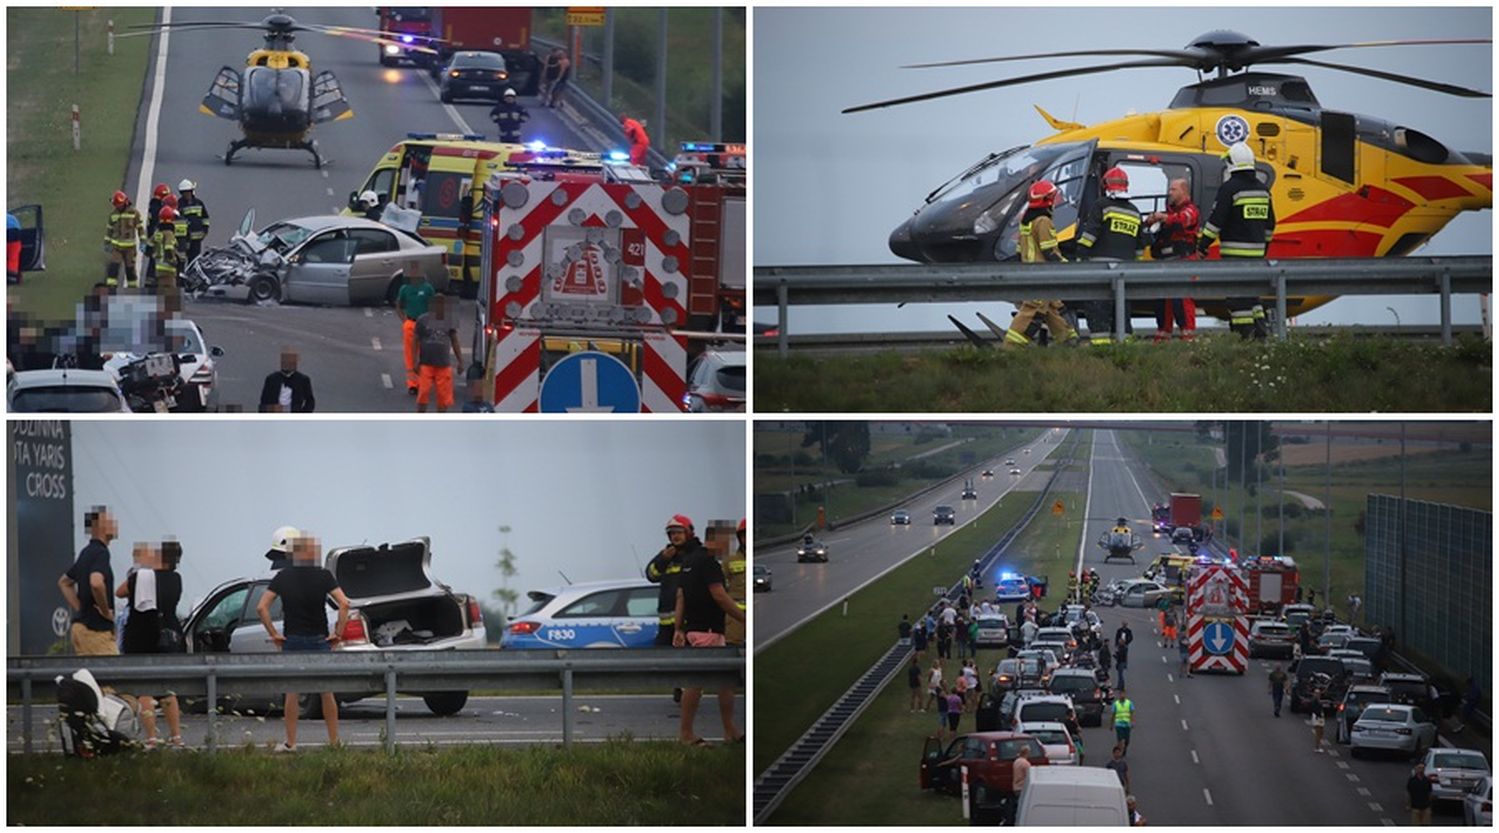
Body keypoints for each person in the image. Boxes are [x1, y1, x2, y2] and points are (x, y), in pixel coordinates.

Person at [256, 532, 350, 752]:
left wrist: (274, 634)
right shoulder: (324, 576)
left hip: (293, 640)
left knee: (292, 692)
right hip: (319, 639)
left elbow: (261, 607)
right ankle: (334, 742)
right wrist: (338, 633)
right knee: (327, 692)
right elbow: (344, 604)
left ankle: (291, 743)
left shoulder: (282, 577)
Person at [672, 520, 746, 746]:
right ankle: (686, 734)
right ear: (719, 540)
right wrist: (745, 618)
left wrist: (678, 628)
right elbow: (720, 596)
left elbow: (681, 598)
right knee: (697, 682)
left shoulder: (689, 562)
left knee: (724, 682)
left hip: (695, 627)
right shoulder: (709, 564)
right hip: (709, 630)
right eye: (728, 540)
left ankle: (730, 730)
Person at [1197, 141, 1275, 339]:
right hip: (1257, 256)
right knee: (1253, 296)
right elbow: (1270, 225)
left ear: (1232, 163)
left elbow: (1216, 221)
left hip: (1234, 255)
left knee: (1238, 298)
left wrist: (1203, 245)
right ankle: (1260, 333)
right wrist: (1263, 248)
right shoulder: (1263, 190)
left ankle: (1245, 336)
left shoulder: (1229, 189)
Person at [116, 542, 185, 749]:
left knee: (145, 688)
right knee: (168, 689)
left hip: (141, 636)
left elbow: (120, 592)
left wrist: (140, 569)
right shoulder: (176, 579)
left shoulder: (140, 577)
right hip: (167, 635)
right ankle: (176, 737)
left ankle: (152, 739)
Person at [1076, 166, 1146, 344]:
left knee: (1098, 310)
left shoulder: (1101, 205)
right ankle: (1124, 351)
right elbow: (1140, 247)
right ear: (1126, 186)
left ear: (1106, 185)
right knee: (1122, 313)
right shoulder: (1134, 211)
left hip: (1100, 272)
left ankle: (1101, 351)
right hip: (1125, 272)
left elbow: (1090, 236)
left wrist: (1080, 256)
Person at [1008, 179, 1078, 348]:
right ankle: (1010, 348)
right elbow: (1049, 251)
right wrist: (1067, 266)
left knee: (1055, 308)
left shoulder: (1026, 222)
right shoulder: (1043, 221)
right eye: (1053, 198)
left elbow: (1019, 251)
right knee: (1033, 312)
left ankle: (1069, 342)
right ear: (1047, 200)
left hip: (1031, 272)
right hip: (1041, 274)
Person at [59, 506, 119, 656]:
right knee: (111, 677)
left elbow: (64, 582)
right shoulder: (101, 553)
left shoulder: (86, 553)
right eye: (109, 521)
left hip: (82, 629)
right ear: (98, 526)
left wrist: (81, 609)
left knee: (92, 678)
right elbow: (96, 583)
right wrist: (105, 612)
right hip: (96, 631)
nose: (115, 524)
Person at [1146, 177, 1200, 340]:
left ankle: (1188, 336)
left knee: (1182, 299)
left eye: (1173, 189)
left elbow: (1183, 221)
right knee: (1162, 300)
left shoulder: (1191, 210)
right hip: (1166, 262)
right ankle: (1163, 336)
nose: (1170, 193)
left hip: (1184, 261)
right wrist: (1150, 222)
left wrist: (1163, 218)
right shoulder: (1169, 212)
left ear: (1184, 191)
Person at [415, 293, 462, 413]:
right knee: (423, 393)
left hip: (443, 364)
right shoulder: (422, 319)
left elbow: (455, 340)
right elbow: (416, 340)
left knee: (443, 397)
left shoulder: (449, 320)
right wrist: (416, 361)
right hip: (426, 363)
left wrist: (460, 361)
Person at [394, 269, 434, 395]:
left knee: (425, 354)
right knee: (410, 355)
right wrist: (404, 320)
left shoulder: (428, 289)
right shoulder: (405, 289)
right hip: (410, 324)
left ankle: (424, 382)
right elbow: (398, 305)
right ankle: (413, 384)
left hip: (425, 325)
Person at [104, 191, 143, 288]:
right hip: (116, 248)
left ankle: (133, 290)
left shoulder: (134, 213)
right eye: (116, 205)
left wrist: (143, 241)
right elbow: (109, 230)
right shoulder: (113, 215)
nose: (117, 207)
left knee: (130, 270)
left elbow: (140, 228)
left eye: (118, 205)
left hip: (130, 249)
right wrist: (107, 243)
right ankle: (111, 290)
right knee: (113, 268)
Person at [176, 179, 210, 265]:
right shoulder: (179, 204)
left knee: (194, 261)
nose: (186, 194)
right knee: (181, 260)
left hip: (196, 240)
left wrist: (205, 230)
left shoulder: (199, 203)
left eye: (188, 192)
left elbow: (205, 218)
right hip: (183, 240)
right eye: (184, 192)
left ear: (191, 191)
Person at [143, 183, 170, 285]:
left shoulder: (152, 206)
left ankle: (149, 281)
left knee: (153, 259)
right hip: (157, 236)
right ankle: (155, 282)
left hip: (152, 236)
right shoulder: (158, 209)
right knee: (158, 260)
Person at [149, 204, 182, 290]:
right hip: (168, 271)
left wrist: (154, 255)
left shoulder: (157, 234)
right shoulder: (169, 234)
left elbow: (146, 248)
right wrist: (173, 260)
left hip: (158, 270)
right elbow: (168, 248)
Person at [1007, 747, 1033, 826]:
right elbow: (1029, 776)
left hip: (1015, 786)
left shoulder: (1016, 761)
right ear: (1027, 753)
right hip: (1022, 787)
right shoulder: (1026, 764)